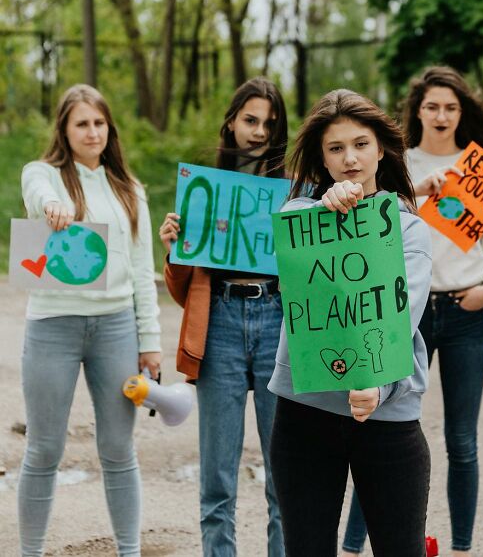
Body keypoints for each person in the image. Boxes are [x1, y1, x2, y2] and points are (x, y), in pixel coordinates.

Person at [342, 65, 483, 557]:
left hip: (466, 313)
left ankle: (461, 546)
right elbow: (371, 221)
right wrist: (419, 190)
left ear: (463, 113)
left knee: (462, 440)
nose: (441, 115)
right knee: (381, 430)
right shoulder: (396, 164)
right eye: (431, 106)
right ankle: (354, 546)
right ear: (416, 111)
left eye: (451, 107)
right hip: (404, 312)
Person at [268, 88, 433, 557]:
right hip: (304, 417)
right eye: (335, 148)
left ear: (381, 148)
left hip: (386, 418)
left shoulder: (409, 229)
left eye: (360, 144)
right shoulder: (301, 215)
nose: (350, 158)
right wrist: (327, 208)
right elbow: (293, 250)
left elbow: (403, 315)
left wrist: (379, 387)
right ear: (321, 159)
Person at [18, 84, 161, 557]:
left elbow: (143, 271)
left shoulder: (130, 190)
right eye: (81, 123)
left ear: (109, 128)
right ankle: (31, 551)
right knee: (43, 451)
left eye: (99, 122)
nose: (92, 131)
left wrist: (150, 342)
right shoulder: (44, 175)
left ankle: (129, 550)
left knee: (119, 451)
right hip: (52, 327)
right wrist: (50, 206)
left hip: (116, 328)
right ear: (64, 128)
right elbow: (36, 192)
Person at [158, 76, 288, 557]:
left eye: (269, 124)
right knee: (217, 481)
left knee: (284, 480)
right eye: (250, 120)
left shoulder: (292, 192)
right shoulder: (204, 192)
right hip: (221, 326)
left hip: (278, 322)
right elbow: (180, 291)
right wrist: (175, 250)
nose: (258, 132)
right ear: (231, 122)